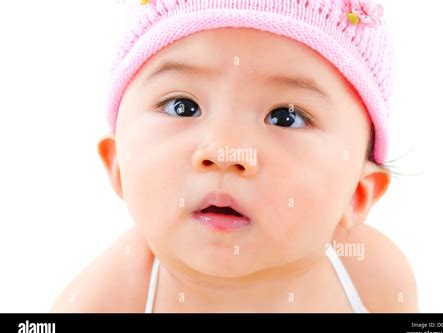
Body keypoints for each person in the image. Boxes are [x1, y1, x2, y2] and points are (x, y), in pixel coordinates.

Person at [50, 0, 418, 313]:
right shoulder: (103, 303)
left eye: (285, 117)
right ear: (117, 164)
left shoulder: (374, 277)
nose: (224, 151)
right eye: (183, 107)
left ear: (358, 193)